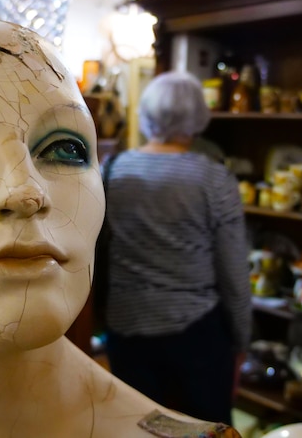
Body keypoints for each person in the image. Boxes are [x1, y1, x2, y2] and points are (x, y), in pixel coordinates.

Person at [0, 18, 240, 437]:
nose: (24, 192)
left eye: (64, 148)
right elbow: (232, 265)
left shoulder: (123, 168)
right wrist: (241, 335)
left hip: (132, 325)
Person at [102, 71, 251, 426]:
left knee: (135, 429)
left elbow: (102, 251)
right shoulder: (213, 178)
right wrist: (242, 338)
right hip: (195, 334)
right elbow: (234, 272)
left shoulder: (115, 169)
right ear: (198, 118)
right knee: (201, 430)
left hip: (126, 327)